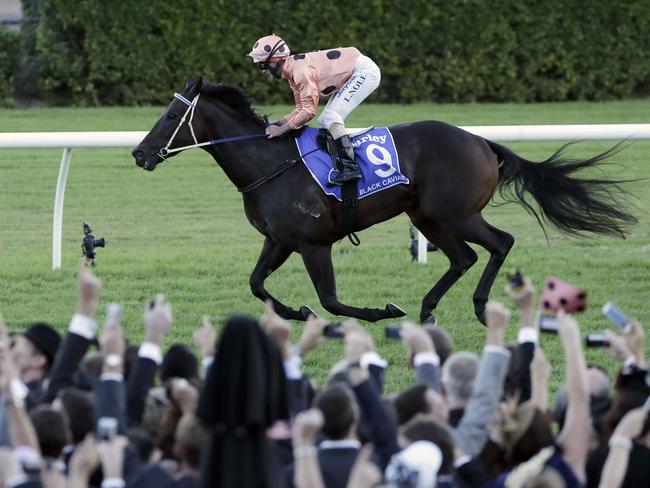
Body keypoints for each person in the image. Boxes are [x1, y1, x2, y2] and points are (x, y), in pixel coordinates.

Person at [247, 34, 381, 185]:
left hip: (364, 71)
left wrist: (282, 129)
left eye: (263, 65)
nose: (263, 71)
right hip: (355, 69)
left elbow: (309, 111)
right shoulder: (292, 71)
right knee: (325, 120)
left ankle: (351, 168)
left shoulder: (300, 71)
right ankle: (342, 162)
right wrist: (278, 123)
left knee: (331, 116)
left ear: (276, 60)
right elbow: (301, 108)